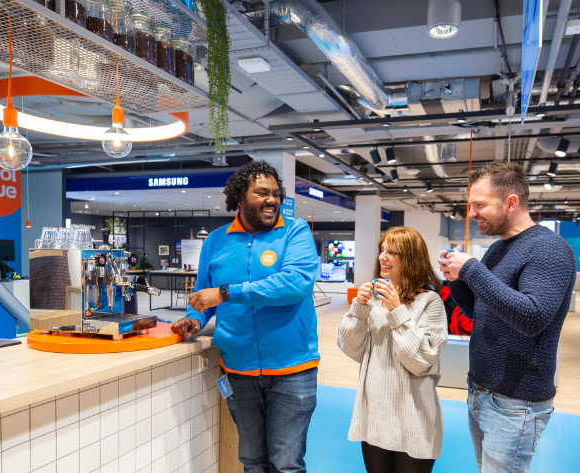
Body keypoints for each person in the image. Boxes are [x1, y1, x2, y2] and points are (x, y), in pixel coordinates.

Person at [171, 160, 320, 473]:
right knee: (252, 462)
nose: (272, 200)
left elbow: (293, 284)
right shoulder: (216, 241)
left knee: (286, 464)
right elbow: (203, 292)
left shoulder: (295, 231)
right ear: (240, 197)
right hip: (239, 369)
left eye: (276, 194)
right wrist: (194, 318)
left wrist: (226, 293)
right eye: (262, 193)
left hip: (293, 367)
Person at [438, 161, 576, 473]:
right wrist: (456, 279)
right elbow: (476, 309)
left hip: (516, 402)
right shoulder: (497, 250)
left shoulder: (549, 249)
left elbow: (532, 316)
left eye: (479, 205)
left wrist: (472, 269)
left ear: (510, 202)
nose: (471, 214)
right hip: (481, 390)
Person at [338, 226, 448, 473]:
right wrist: (359, 308)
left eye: (392, 252)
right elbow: (352, 348)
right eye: (382, 250)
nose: (382, 257)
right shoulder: (374, 301)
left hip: (414, 417)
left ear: (410, 258)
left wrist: (397, 311)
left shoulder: (430, 302)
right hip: (375, 415)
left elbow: (421, 360)